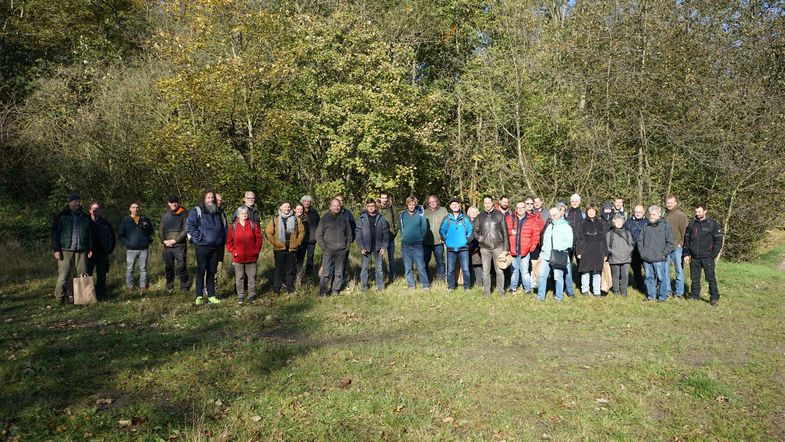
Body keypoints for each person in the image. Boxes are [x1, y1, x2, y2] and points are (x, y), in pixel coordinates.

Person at [51, 194, 93, 304]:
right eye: (75, 201)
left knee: (83, 274)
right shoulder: (61, 216)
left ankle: (84, 299)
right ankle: (59, 298)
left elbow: (89, 234)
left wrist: (90, 248)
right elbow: (55, 234)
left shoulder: (84, 216)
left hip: (82, 249)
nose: (77, 203)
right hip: (65, 249)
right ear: (69, 202)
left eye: (78, 201)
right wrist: (56, 249)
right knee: (63, 274)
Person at [186, 190, 226, 305]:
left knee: (211, 272)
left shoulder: (216, 211)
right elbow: (190, 226)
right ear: (204, 198)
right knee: (201, 271)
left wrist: (220, 240)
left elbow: (221, 227)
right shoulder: (197, 211)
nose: (211, 200)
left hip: (215, 247)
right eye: (208, 197)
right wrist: (200, 238)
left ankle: (211, 295)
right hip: (202, 247)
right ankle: (199, 296)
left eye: (212, 197)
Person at [684, 204, 724, 306]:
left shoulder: (712, 224)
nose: (697, 214)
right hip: (694, 258)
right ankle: (695, 295)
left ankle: (714, 297)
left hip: (707, 257)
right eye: (696, 212)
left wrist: (713, 254)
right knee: (694, 278)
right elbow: (687, 240)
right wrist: (686, 253)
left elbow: (719, 240)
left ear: (705, 211)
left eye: (699, 212)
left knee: (710, 278)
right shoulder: (692, 224)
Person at [266, 201, 305, 296]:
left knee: (290, 270)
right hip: (279, 249)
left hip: (292, 249)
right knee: (279, 270)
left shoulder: (296, 219)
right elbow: (268, 233)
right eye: (284, 207)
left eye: (288, 207)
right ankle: (276, 290)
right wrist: (275, 243)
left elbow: (302, 232)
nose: (287, 209)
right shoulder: (275, 220)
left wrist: (297, 242)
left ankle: (290, 290)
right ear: (280, 208)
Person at [637, 205, 675, 302]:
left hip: (659, 258)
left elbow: (670, 242)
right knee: (649, 278)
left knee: (661, 278)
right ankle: (651, 296)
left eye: (654, 214)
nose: (652, 216)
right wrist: (642, 252)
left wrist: (664, 254)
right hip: (647, 258)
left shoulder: (665, 226)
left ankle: (662, 297)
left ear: (659, 215)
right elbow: (640, 240)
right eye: (650, 214)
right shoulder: (645, 226)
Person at [316, 198, 353, 296]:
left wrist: (347, 246)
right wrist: (324, 248)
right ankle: (323, 291)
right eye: (334, 206)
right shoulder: (325, 218)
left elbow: (349, 233)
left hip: (342, 250)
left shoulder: (344, 218)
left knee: (339, 272)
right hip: (328, 250)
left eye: (338, 206)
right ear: (330, 207)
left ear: (340, 206)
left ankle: (335, 290)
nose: (336, 207)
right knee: (326, 272)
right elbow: (318, 235)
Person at [505, 198, 543, 294]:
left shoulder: (532, 219)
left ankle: (527, 289)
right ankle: (513, 287)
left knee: (525, 271)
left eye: (522, 207)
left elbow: (536, 235)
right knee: (513, 270)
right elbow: (504, 232)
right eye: (518, 208)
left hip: (525, 251)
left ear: (525, 208)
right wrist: (510, 232)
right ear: (515, 208)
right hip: (513, 250)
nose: (520, 209)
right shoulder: (509, 219)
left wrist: (532, 247)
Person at [475, 195, 509, 295]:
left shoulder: (499, 215)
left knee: (499, 271)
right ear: (483, 204)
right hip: (485, 249)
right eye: (485, 203)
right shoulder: (480, 217)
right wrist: (480, 239)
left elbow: (505, 233)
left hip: (498, 247)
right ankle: (486, 292)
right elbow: (475, 231)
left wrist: (505, 249)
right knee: (485, 272)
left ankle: (501, 291)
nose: (487, 204)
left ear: (492, 203)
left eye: (489, 202)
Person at [226, 206, 262, 303]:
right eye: (241, 213)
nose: (244, 215)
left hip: (251, 257)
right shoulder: (233, 227)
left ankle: (252, 295)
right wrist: (234, 252)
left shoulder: (253, 225)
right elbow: (229, 242)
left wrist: (256, 250)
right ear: (238, 215)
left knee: (252, 277)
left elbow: (259, 239)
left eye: (246, 213)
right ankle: (240, 296)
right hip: (238, 258)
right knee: (239, 278)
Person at [537, 207, 573, 301]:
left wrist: (559, 248)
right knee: (541, 276)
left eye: (555, 215)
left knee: (558, 277)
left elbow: (569, 242)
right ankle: (540, 297)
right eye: (551, 215)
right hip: (546, 255)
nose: (553, 217)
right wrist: (541, 254)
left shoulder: (566, 226)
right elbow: (545, 242)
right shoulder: (550, 226)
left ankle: (559, 297)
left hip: (558, 255)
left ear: (560, 214)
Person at [355, 198, 390, 291]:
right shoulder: (362, 218)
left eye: (373, 206)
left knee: (379, 268)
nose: (371, 208)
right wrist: (361, 246)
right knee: (364, 268)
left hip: (378, 247)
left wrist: (384, 247)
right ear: (366, 207)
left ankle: (380, 287)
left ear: (376, 206)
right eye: (369, 206)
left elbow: (386, 233)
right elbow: (358, 233)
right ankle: (364, 287)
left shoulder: (381, 218)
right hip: (366, 247)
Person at [118, 202, 154, 291]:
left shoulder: (144, 219)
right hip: (131, 249)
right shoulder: (126, 220)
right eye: (133, 207)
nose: (135, 209)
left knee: (144, 268)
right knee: (130, 269)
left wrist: (146, 226)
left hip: (143, 249)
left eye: (137, 207)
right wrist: (128, 243)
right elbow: (121, 235)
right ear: (130, 209)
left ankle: (143, 285)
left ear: (139, 209)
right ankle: (130, 286)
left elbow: (151, 231)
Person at [440, 198, 473, 291]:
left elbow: (470, 230)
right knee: (450, 269)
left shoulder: (465, 218)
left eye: (456, 204)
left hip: (463, 248)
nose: (455, 206)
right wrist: (446, 240)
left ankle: (467, 287)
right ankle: (451, 287)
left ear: (459, 206)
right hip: (451, 248)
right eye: (453, 204)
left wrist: (467, 240)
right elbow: (442, 230)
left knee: (466, 268)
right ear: (450, 206)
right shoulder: (447, 218)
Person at [576, 204, 608, 296]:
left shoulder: (600, 223)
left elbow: (604, 239)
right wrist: (579, 252)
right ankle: (585, 290)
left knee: (597, 272)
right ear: (586, 212)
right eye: (589, 211)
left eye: (593, 211)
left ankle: (597, 291)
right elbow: (579, 239)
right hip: (585, 250)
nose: (591, 212)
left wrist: (605, 253)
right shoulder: (581, 224)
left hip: (598, 250)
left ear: (596, 212)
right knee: (585, 271)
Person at [399, 196, 430, 290]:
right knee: (408, 267)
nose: (411, 206)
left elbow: (424, 228)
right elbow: (401, 228)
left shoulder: (420, 215)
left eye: (413, 204)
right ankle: (411, 285)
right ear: (407, 204)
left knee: (421, 266)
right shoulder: (402, 215)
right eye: (409, 204)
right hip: (405, 245)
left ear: (415, 204)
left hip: (417, 245)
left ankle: (425, 285)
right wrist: (404, 237)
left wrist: (420, 238)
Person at [160, 195, 189, 293]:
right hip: (167, 246)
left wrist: (174, 241)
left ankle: (184, 286)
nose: (173, 204)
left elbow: (185, 230)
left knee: (181, 267)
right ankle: (169, 286)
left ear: (178, 202)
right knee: (168, 267)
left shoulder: (184, 213)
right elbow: (161, 229)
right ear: (168, 203)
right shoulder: (165, 214)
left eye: (175, 202)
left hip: (179, 246)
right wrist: (164, 241)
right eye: (171, 202)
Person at [87, 201, 115, 301]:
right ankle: (88, 295)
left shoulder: (105, 223)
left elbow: (112, 237)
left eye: (97, 209)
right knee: (87, 273)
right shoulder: (85, 222)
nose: (95, 210)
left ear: (100, 210)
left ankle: (101, 294)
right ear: (90, 210)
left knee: (102, 274)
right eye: (93, 209)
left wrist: (109, 249)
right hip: (88, 253)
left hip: (102, 253)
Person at [664, 195, 689, 299]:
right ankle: (667, 291)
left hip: (677, 248)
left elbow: (686, 232)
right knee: (665, 271)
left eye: (671, 202)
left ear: (675, 203)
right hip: (665, 247)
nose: (669, 204)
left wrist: (681, 244)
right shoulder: (663, 215)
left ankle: (679, 293)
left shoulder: (681, 216)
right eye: (668, 202)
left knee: (679, 270)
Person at [606, 214, 633, 296]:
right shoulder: (609, 234)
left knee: (625, 275)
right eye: (617, 221)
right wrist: (613, 253)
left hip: (626, 258)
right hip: (614, 258)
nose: (619, 223)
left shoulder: (627, 233)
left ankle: (624, 291)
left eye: (620, 221)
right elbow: (607, 246)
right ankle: (616, 291)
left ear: (623, 222)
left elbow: (631, 245)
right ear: (614, 222)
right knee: (615, 275)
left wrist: (627, 252)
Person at [563, 194, 584, 296]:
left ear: (580, 202)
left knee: (582, 265)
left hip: (580, 243)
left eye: (576, 201)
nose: (575, 202)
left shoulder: (584, 215)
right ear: (570, 202)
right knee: (568, 266)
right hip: (568, 244)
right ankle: (567, 287)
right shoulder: (566, 214)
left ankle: (582, 286)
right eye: (573, 201)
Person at [423, 195, 448, 282]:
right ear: (428, 203)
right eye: (430, 202)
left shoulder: (443, 210)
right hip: (426, 241)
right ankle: (426, 279)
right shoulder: (424, 212)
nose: (432, 203)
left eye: (434, 201)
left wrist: (445, 237)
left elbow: (447, 224)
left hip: (439, 241)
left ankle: (440, 279)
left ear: (437, 201)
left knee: (440, 262)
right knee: (425, 261)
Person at [624, 204, 647, 290]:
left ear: (643, 212)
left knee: (648, 270)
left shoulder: (648, 222)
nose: (638, 214)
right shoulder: (628, 223)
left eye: (640, 212)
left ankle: (649, 286)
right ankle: (639, 286)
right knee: (636, 270)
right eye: (636, 212)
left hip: (645, 250)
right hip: (633, 250)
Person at [378, 192, 398, 281]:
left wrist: (394, 232)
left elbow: (397, 222)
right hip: (379, 238)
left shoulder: (393, 209)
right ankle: (380, 277)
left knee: (391, 258)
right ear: (380, 198)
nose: (384, 200)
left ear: (388, 198)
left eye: (386, 198)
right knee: (379, 259)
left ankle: (392, 276)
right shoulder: (376, 208)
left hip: (390, 237)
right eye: (382, 198)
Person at [300, 195, 320, 276]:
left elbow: (319, 224)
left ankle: (309, 274)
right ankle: (299, 273)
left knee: (310, 257)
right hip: (301, 240)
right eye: (305, 201)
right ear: (302, 202)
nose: (307, 203)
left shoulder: (314, 212)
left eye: (309, 201)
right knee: (300, 257)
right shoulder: (299, 211)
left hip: (311, 239)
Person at [466, 206, 483, 288]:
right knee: (467, 264)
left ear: (478, 213)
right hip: (466, 246)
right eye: (471, 212)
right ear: (468, 213)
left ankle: (479, 283)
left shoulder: (480, 221)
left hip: (478, 246)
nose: (473, 213)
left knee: (478, 265)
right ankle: (469, 283)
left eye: (475, 212)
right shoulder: (464, 221)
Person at [294, 203, 310, 281]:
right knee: (292, 262)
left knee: (300, 261)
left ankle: (299, 278)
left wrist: (306, 241)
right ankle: (291, 278)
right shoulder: (291, 219)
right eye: (298, 209)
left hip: (303, 244)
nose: (300, 211)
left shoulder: (305, 219)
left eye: (301, 209)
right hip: (293, 244)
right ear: (294, 210)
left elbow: (307, 231)